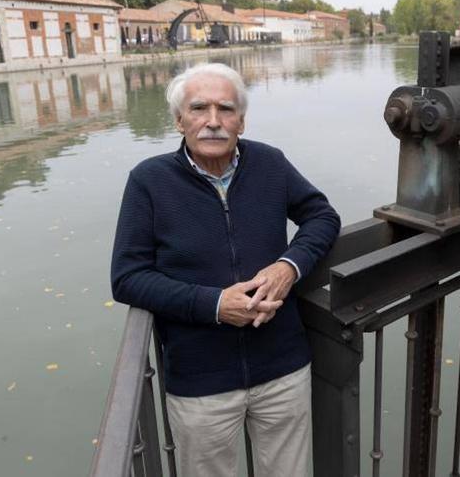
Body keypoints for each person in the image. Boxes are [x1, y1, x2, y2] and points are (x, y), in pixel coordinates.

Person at [111, 62, 340, 476]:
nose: (213, 121)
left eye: (226, 109)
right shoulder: (149, 181)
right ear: (179, 120)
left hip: (283, 367)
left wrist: (288, 267)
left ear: (242, 120)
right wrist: (215, 304)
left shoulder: (270, 163)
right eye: (199, 108)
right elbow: (128, 277)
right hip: (202, 382)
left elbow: (321, 216)